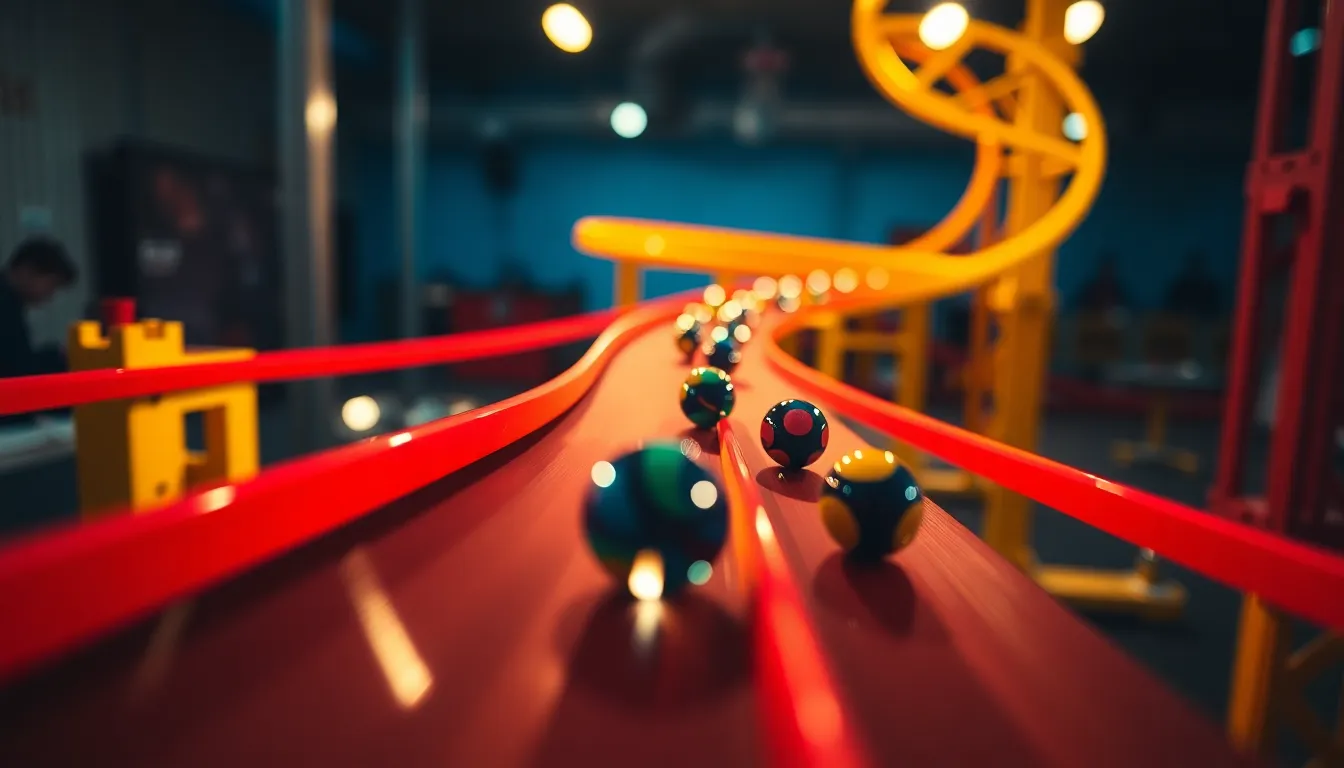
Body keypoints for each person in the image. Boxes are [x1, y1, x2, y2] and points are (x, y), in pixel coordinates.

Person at [0, 237, 78, 381]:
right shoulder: (5, 307)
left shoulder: (11, 303)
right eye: (51, 284)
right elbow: (16, 368)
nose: (50, 294)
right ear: (27, 271)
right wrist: (57, 358)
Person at [1164, 249, 1222, 317]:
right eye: (1193, 265)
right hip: (1180, 322)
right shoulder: (1180, 287)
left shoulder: (1210, 288)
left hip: (1204, 324)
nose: (1195, 269)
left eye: (1198, 265)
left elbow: (1215, 309)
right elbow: (1171, 308)